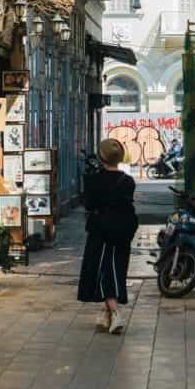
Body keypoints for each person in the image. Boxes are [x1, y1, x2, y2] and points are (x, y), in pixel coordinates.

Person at [77, 138, 138, 334]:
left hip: (101, 230)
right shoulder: (128, 181)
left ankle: (115, 313)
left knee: (102, 269)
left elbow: (89, 204)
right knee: (115, 267)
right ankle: (105, 315)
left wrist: (90, 177)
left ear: (101, 157)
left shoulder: (95, 180)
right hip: (123, 230)